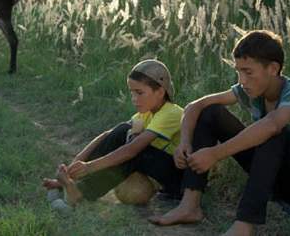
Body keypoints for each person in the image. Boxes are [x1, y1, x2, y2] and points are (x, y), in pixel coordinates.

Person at [148, 30, 290, 235]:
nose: (242, 80)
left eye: (248, 72)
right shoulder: (251, 90)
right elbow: (196, 105)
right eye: (238, 71)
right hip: (276, 176)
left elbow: (273, 125)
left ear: (273, 68)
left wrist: (215, 154)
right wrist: (184, 142)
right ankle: (189, 205)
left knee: (272, 132)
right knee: (210, 112)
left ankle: (244, 225)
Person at [42, 59, 185, 206]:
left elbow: (131, 151)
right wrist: (74, 167)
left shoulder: (172, 112)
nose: (134, 99)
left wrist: (90, 166)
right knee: (123, 130)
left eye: (140, 93)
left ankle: (82, 192)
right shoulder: (145, 114)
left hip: (180, 182)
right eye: (132, 93)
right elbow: (108, 136)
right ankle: (72, 183)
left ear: (160, 92)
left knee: (136, 151)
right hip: (158, 175)